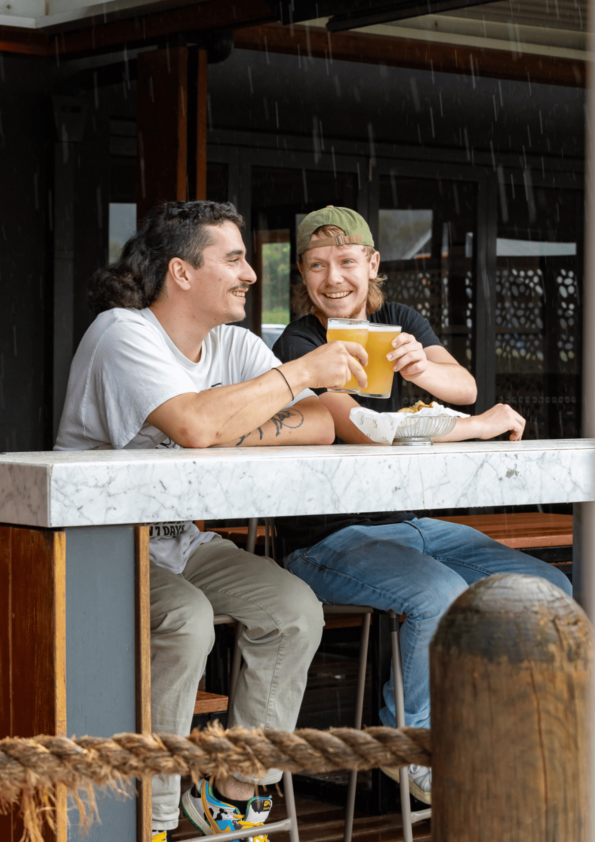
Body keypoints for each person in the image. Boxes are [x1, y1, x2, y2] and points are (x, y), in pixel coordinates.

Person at [54, 201, 371, 842]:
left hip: (180, 538)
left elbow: (318, 424)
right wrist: (296, 375)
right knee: (186, 618)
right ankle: (151, 818)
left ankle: (231, 795)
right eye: (234, 259)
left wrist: (225, 421)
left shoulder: (232, 344)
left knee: (294, 610)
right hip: (99, 543)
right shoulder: (122, 333)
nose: (251, 274)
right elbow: (194, 425)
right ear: (182, 271)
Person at [272, 205, 573, 805]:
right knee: (437, 595)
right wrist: (474, 427)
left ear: (372, 263)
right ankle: (411, 748)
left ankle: (502, 731)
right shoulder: (300, 342)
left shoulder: (399, 320)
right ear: (301, 274)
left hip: (410, 522)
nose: (334, 278)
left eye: (346, 261)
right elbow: (357, 427)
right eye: (317, 265)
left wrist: (424, 371)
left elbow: (465, 387)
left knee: (546, 586)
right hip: (324, 539)